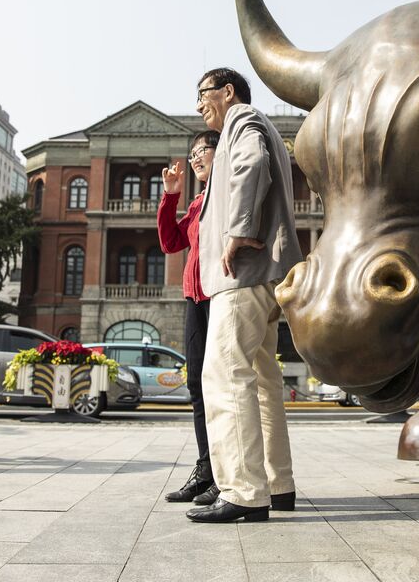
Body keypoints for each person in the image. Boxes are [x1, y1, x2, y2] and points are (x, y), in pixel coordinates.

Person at [187, 68, 303, 524]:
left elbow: (251, 163)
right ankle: (278, 483)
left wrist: (237, 232)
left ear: (227, 91)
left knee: (223, 374)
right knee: (263, 381)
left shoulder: (241, 119)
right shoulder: (258, 122)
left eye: (202, 95)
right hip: (266, 275)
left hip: (243, 273)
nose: (199, 106)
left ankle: (243, 491)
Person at [157, 129, 219, 502]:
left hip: (219, 296)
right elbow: (170, 243)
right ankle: (205, 469)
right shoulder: (197, 204)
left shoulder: (225, 195)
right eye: (193, 153)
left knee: (218, 388)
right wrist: (171, 195)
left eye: (203, 151)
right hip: (194, 299)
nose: (196, 158)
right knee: (196, 385)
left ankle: (222, 473)